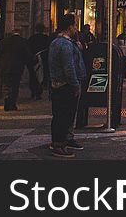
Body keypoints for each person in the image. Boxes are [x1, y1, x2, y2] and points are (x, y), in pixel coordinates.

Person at [48, 14, 86, 157]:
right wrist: (75, 84)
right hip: (66, 85)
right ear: (70, 27)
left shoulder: (61, 42)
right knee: (64, 115)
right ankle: (59, 144)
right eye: (75, 25)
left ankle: (63, 140)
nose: (76, 29)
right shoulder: (63, 44)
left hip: (60, 84)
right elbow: (68, 67)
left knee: (61, 115)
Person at [0, 29, 34, 111]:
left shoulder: (4, 41)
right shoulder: (23, 42)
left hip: (5, 67)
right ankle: (12, 103)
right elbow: (28, 55)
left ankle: (6, 99)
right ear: (20, 34)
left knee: (6, 84)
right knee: (15, 85)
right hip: (17, 67)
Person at [28, 23, 51, 99]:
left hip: (33, 60)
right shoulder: (46, 38)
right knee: (42, 75)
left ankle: (34, 90)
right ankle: (39, 90)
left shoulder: (32, 38)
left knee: (33, 75)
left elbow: (29, 49)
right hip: (43, 60)